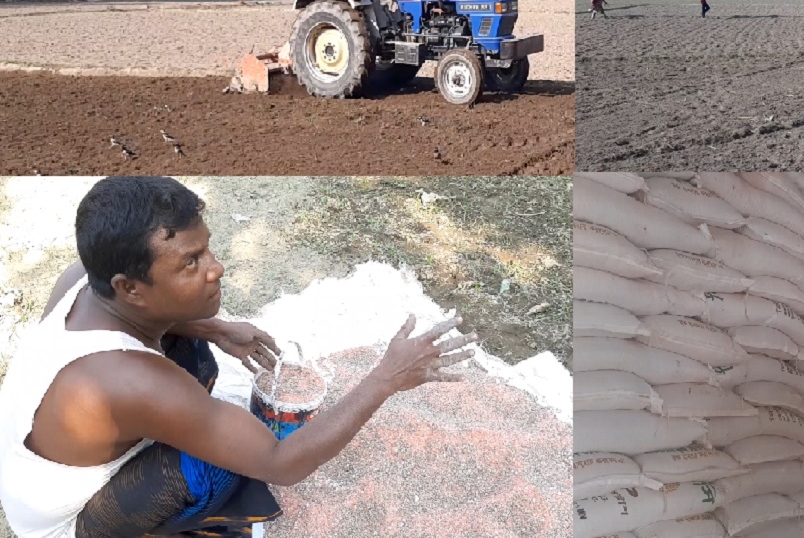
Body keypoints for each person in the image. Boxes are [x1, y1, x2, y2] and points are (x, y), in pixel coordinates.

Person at [0, 176, 477, 538]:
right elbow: (281, 462)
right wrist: (386, 378)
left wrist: (214, 327)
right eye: (191, 262)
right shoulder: (130, 381)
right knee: (223, 462)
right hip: (66, 526)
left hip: (35, 476)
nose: (216, 268)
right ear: (130, 287)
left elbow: (139, 323)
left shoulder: (84, 277)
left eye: (206, 250)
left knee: (196, 356)